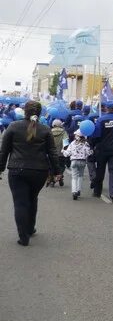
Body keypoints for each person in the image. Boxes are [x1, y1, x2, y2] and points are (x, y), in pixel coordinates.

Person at [0, 100, 61, 246]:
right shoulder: (45, 129)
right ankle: (30, 228)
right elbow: (52, 152)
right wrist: (57, 171)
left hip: (17, 170)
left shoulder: (13, 127)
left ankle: (23, 237)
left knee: (20, 203)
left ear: (24, 111)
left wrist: (0, 168)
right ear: (39, 113)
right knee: (32, 198)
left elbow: (4, 150)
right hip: (39, 171)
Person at [91, 101, 113, 203]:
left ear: (106, 109)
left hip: (102, 149)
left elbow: (96, 135)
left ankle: (97, 191)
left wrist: (93, 145)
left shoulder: (101, 120)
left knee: (100, 170)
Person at [63, 130, 93, 200]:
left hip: (74, 161)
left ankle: (74, 191)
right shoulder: (86, 144)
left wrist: (63, 151)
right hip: (82, 162)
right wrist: (92, 151)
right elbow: (88, 153)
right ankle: (78, 190)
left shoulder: (72, 143)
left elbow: (67, 153)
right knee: (80, 176)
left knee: (74, 177)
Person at [47, 119, 67, 187]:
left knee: (52, 167)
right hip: (61, 153)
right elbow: (66, 142)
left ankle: (52, 180)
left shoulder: (50, 132)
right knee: (61, 166)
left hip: (52, 153)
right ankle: (60, 176)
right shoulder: (63, 132)